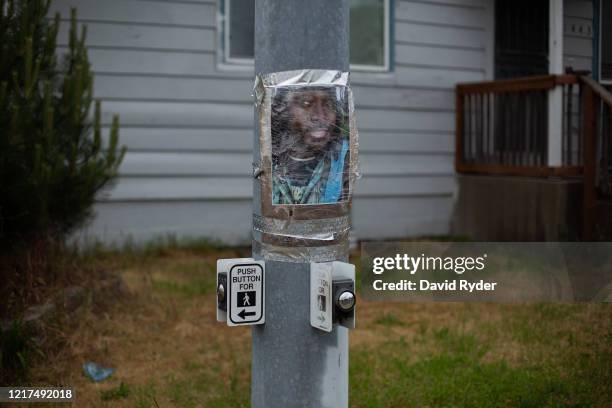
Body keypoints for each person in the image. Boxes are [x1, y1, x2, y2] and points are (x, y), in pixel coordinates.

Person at [271, 87, 350, 205]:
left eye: (328, 104)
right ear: (284, 110)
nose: (320, 116)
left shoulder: (346, 160)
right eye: (306, 103)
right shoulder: (265, 156)